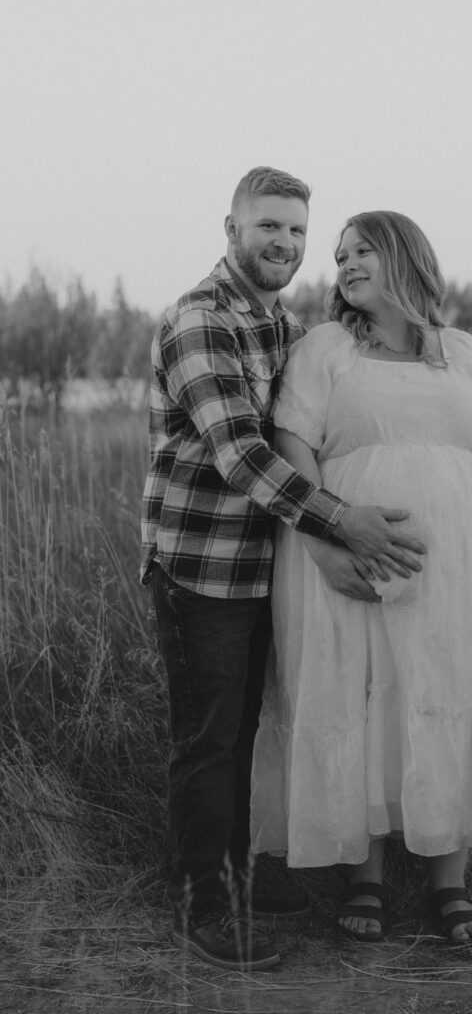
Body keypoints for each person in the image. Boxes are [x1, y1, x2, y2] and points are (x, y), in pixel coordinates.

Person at [141, 173, 426, 971]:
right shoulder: (200, 320)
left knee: (244, 730)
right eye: (270, 226)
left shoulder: (279, 322)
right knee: (208, 740)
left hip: (266, 562)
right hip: (201, 566)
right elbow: (240, 454)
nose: (287, 245)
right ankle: (206, 906)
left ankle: (225, 868)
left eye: (298, 232)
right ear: (230, 227)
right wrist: (341, 518)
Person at [250, 210, 472, 944]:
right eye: (340, 254)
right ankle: (367, 878)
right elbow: (293, 441)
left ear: (404, 258)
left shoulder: (462, 354)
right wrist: (326, 537)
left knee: (449, 688)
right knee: (361, 691)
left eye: (363, 250)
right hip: (349, 554)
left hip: (457, 570)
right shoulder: (325, 349)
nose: (345, 262)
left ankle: (449, 884)